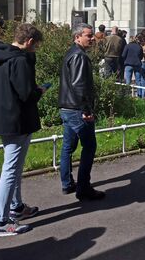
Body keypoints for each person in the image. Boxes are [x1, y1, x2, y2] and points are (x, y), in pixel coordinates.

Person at [0, 23, 45, 237]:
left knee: (14, 167)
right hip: (17, 120)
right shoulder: (19, 61)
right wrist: (40, 91)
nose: (35, 50)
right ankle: (0, 222)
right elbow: (27, 94)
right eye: (35, 46)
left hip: (2, 118)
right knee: (10, 169)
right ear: (29, 42)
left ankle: (16, 207)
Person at [59, 23, 105, 201]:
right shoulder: (79, 56)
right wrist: (86, 109)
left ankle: (67, 183)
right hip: (77, 110)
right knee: (90, 146)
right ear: (77, 37)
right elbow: (79, 85)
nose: (92, 38)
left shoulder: (72, 53)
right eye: (89, 35)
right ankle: (83, 188)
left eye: (92, 35)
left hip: (67, 107)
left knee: (68, 147)